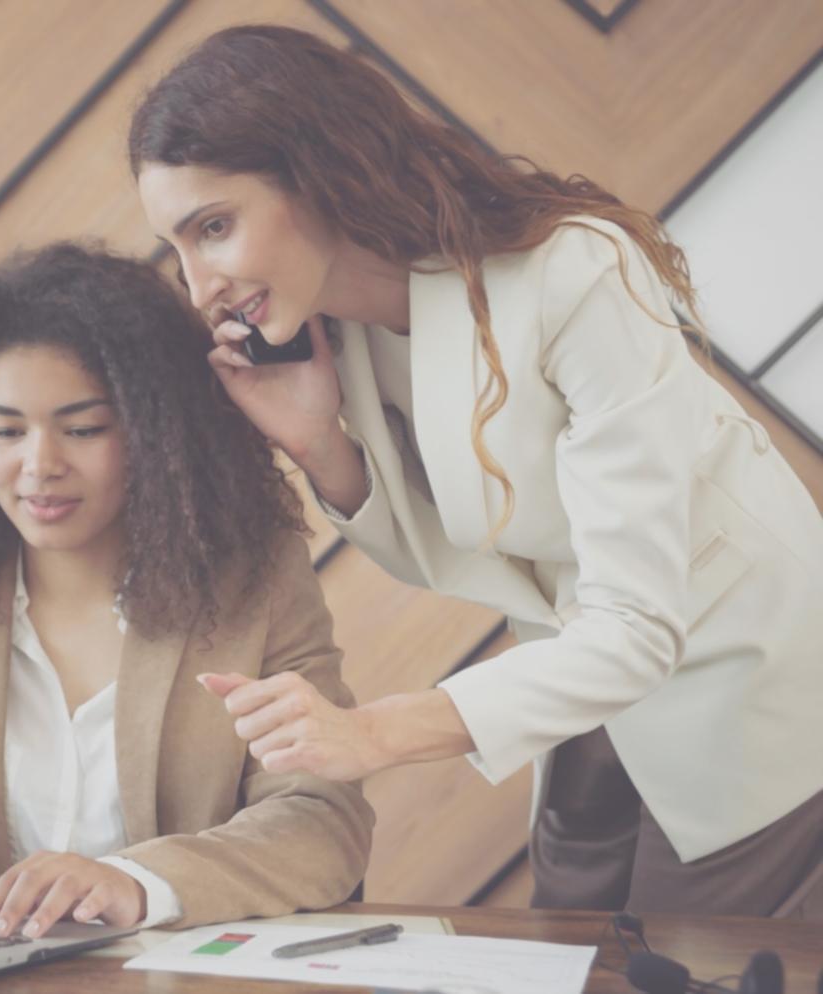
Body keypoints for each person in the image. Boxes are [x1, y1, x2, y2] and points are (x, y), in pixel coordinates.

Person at [129, 24, 823, 919]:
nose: (201, 285)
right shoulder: (355, 330)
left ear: (314, 169)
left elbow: (640, 625)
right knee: (564, 940)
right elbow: (475, 553)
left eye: (214, 229)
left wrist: (371, 732)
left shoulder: (573, 274)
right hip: (586, 681)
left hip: (738, 668)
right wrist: (321, 446)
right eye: (178, 248)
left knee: (679, 957)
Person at [0, 243, 373, 938]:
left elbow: (321, 819)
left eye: (83, 429)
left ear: (155, 431)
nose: (39, 465)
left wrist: (137, 881)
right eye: (5, 430)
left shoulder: (255, 586)